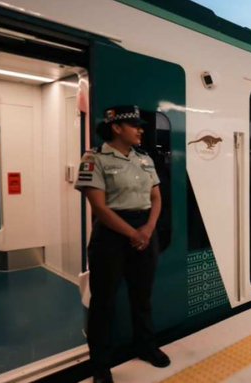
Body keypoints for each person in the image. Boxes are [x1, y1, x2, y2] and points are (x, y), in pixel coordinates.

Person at [75, 105, 170, 383]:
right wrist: (133, 233)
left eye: (141, 126)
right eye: (135, 125)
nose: (141, 130)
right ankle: (100, 366)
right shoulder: (94, 159)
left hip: (144, 229)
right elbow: (99, 208)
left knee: (142, 297)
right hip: (111, 236)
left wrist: (149, 229)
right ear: (117, 128)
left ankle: (145, 345)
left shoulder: (144, 158)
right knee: (103, 302)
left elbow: (156, 198)